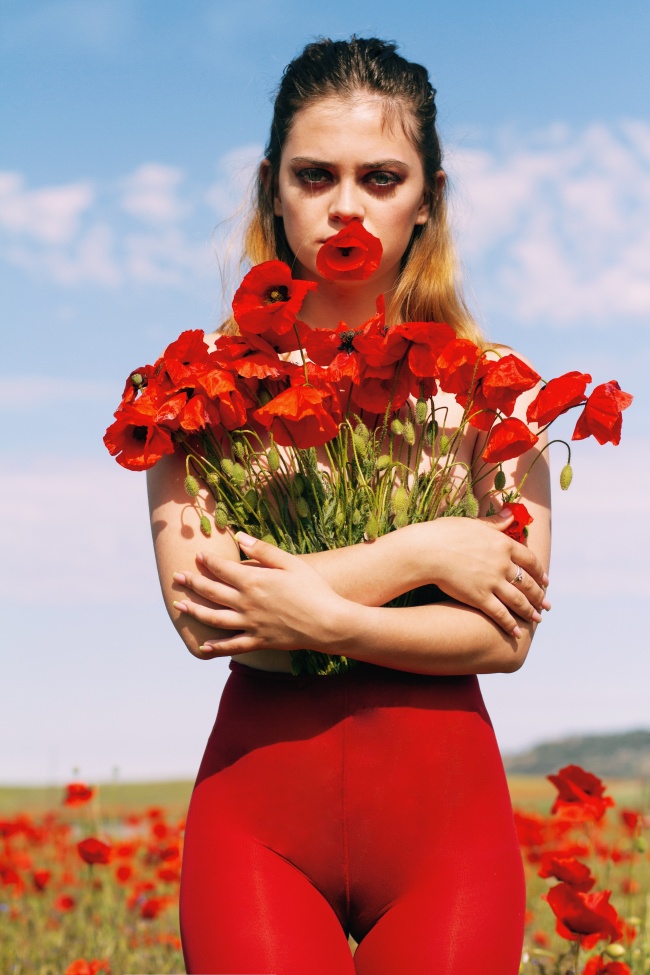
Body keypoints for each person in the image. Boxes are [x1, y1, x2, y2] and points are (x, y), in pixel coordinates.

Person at [147, 37, 551, 975]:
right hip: (257, 829)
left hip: (447, 835)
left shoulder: (496, 393)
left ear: (428, 199)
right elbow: (207, 615)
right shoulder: (193, 389)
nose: (346, 206)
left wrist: (319, 616)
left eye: (380, 177)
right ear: (271, 190)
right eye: (314, 175)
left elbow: (506, 638)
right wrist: (428, 551)